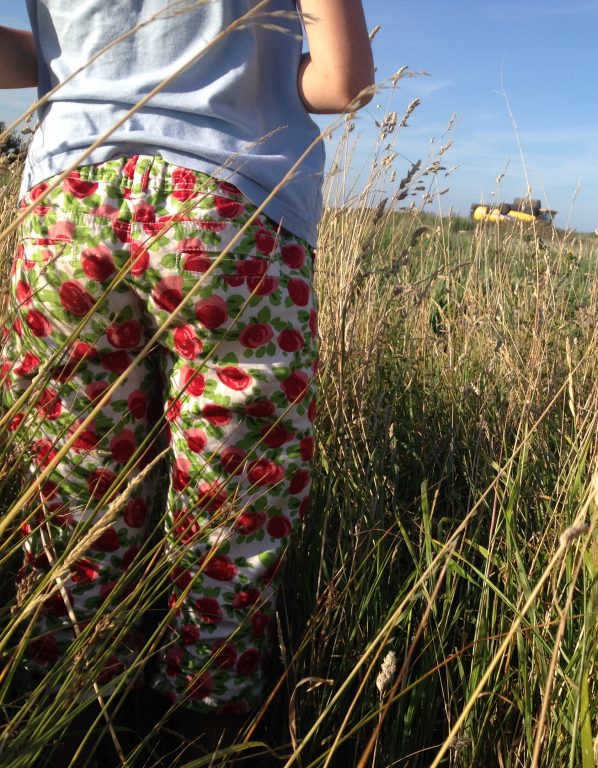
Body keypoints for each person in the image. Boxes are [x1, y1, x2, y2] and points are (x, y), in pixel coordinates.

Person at [0, 0, 373, 761]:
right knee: (233, 505)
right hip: (233, 208)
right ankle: (205, 727)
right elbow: (344, 84)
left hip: (68, 205)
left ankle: (62, 713)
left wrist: (82, 65)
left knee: (74, 490)